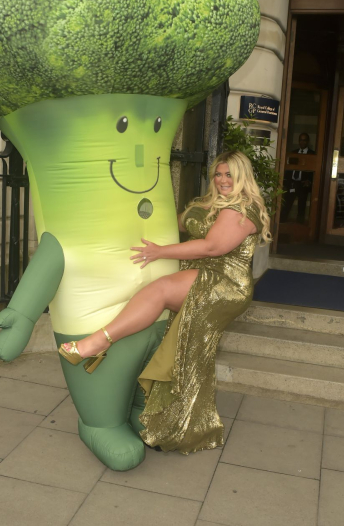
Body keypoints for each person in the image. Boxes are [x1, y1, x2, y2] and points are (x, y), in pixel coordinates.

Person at [59, 150, 271, 454]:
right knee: (184, 349)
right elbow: (175, 224)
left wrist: (160, 252)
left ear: (242, 177)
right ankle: (168, 422)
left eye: (230, 175)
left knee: (158, 295)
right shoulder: (208, 203)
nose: (223, 180)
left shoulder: (243, 209)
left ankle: (96, 343)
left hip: (223, 283)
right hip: (201, 274)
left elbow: (213, 247)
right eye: (219, 174)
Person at [280, 133, 315, 224]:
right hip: (292, 183)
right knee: (287, 205)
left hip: (303, 185)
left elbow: (314, 170)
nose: (302, 142)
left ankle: (299, 228)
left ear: (308, 141)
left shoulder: (312, 154)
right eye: (301, 140)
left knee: (301, 207)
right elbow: (289, 169)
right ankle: (282, 224)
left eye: (304, 140)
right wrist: (286, 182)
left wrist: (309, 181)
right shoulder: (294, 153)